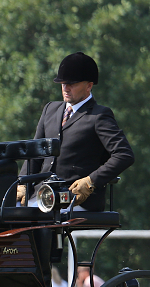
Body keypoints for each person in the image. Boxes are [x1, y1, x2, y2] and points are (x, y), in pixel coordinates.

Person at [18, 52, 134, 211]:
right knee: (4, 214)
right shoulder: (50, 109)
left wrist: (90, 181)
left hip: (75, 199)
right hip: (41, 195)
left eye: (72, 84)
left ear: (89, 85)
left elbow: (124, 155)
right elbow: (36, 153)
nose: (65, 88)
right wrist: (23, 183)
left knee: (38, 220)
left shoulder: (99, 115)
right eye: (63, 83)